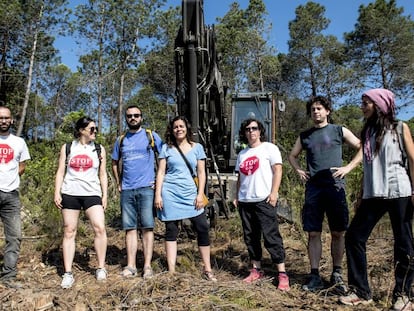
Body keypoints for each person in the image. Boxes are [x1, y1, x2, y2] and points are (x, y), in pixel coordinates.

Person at [339, 89, 414, 309]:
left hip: (399, 191)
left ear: (380, 105)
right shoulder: (367, 132)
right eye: (362, 102)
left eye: (366, 103)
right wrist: (362, 193)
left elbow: (412, 158)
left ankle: (404, 296)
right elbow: (369, 165)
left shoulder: (400, 128)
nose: (362, 107)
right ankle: (361, 291)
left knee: (404, 244)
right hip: (373, 194)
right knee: (354, 237)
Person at [288, 95, 362, 293]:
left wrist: (348, 167)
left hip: (335, 185)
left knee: (338, 231)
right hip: (314, 188)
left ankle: (337, 273)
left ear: (327, 111)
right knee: (313, 232)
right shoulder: (305, 135)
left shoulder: (338, 130)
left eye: (319, 108)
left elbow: (362, 147)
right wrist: (298, 170)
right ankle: (314, 275)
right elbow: (292, 155)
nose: (316, 112)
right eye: (313, 109)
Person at [154, 116, 216, 281]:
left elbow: (202, 173)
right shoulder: (166, 148)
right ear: (172, 130)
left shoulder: (198, 148)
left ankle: (207, 269)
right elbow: (161, 173)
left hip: (191, 194)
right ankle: (172, 271)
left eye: (181, 126)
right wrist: (158, 195)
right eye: (175, 127)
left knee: (202, 227)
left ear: (187, 128)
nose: (178, 129)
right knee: (171, 230)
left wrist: (200, 194)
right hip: (170, 193)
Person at [234, 118, 290, 291]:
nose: (251, 131)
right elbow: (239, 178)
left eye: (254, 128)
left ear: (260, 131)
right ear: (244, 133)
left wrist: (274, 192)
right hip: (245, 201)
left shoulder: (269, 148)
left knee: (271, 236)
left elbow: (278, 170)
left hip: (264, 200)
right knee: (250, 237)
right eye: (248, 129)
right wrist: (236, 196)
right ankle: (256, 270)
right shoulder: (242, 154)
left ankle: (282, 273)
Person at [54, 117, 108, 289]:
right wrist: (57, 192)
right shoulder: (68, 147)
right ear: (81, 130)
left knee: (99, 227)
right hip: (70, 193)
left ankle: (100, 268)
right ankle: (68, 273)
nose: (95, 132)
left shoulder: (99, 149)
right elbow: (61, 171)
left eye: (95, 129)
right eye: (92, 129)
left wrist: (105, 195)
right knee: (69, 231)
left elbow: (103, 174)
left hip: (92, 193)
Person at [111, 105, 162, 279]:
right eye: (129, 116)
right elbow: (114, 162)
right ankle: (131, 265)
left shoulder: (151, 136)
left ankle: (147, 266)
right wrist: (119, 183)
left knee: (147, 228)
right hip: (127, 190)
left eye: (136, 115)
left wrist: (159, 182)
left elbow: (163, 158)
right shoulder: (121, 139)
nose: (133, 118)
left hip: (147, 189)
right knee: (130, 229)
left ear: (141, 117)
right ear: (126, 118)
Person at [0, 106, 30, 288]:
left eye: (6, 118)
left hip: (11, 195)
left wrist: (9, 179)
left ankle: (8, 276)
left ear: (12, 120)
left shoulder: (19, 142)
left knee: (14, 236)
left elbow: (22, 166)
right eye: (0, 117)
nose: (3, 120)